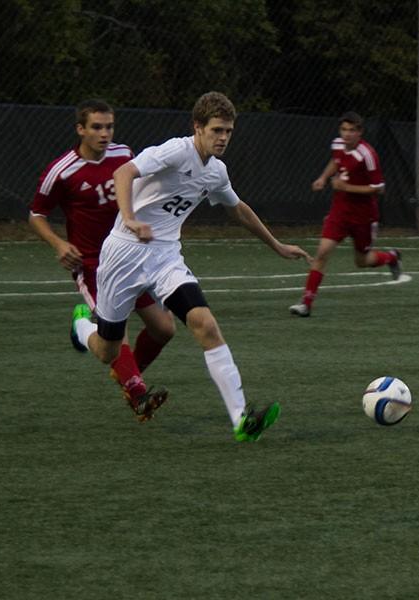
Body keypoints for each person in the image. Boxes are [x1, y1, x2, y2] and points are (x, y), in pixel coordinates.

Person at [70, 91, 311, 442]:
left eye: (228, 131)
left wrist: (276, 244)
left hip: (165, 258)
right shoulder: (176, 150)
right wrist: (130, 218)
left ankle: (241, 420)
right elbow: (124, 172)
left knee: (205, 324)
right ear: (197, 127)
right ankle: (80, 326)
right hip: (122, 255)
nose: (223, 137)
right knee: (107, 349)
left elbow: (237, 208)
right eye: (216, 130)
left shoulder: (216, 172)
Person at [29, 99, 175, 421]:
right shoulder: (63, 170)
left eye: (109, 126)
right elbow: (36, 214)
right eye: (96, 127)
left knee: (164, 329)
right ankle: (137, 392)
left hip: (131, 257)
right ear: (80, 129)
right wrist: (58, 243)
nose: (104, 133)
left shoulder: (124, 156)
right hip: (94, 265)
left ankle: (104, 349)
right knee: (116, 336)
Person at [288, 112, 401, 317]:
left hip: (364, 216)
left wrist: (345, 187)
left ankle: (391, 257)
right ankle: (306, 303)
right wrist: (323, 177)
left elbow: (379, 189)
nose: (347, 134)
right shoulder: (338, 144)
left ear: (360, 132)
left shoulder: (368, 155)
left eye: (352, 130)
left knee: (362, 261)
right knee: (322, 253)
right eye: (344, 130)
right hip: (340, 211)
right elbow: (336, 161)